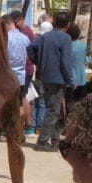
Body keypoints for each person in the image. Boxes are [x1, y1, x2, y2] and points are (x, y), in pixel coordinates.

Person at [35, 11, 75, 149]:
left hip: (45, 77)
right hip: (58, 79)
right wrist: (70, 80)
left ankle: (55, 139)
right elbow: (65, 62)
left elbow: (31, 49)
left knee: (55, 110)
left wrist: (39, 63)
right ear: (68, 24)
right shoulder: (65, 38)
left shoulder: (45, 36)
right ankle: (42, 140)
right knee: (53, 111)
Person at [68, 22, 88, 104]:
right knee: (80, 103)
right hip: (82, 78)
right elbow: (84, 60)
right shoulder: (83, 45)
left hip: (70, 80)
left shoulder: (67, 46)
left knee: (70, 103)